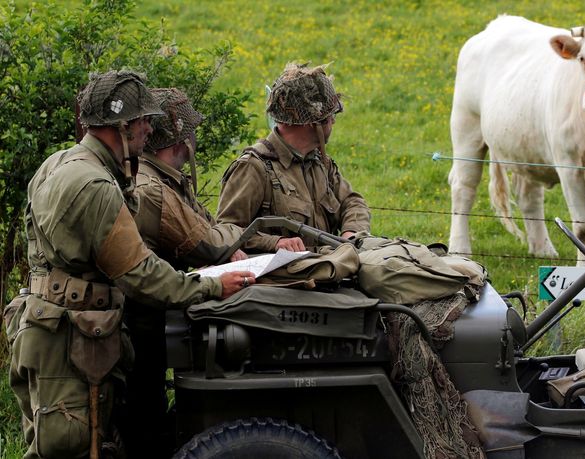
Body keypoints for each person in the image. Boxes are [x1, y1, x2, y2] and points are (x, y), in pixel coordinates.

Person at [6, 71, 254, 459]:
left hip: (44, 330)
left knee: (58, 443)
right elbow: (139, 273)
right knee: (73, 447)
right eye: (143, 122)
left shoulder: (56, 164)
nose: (149, 131)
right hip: (69, 341)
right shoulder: (96, 186)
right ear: (121, 126)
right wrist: (209, 287)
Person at [121, 87, 246, 457]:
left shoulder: (166, 180)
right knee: (145, 420)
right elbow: (211, 242)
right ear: (180, 139)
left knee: (149, 414)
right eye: (189, 132)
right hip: (142, 322)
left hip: (153, 314)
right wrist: (240, 237)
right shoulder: (155, 189)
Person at [217, 62, 370, 252]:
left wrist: (351, 234)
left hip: (329, 267)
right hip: (281, 278)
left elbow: (352, 202)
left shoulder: (319, 162)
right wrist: (275, 243)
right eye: (329, 117)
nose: (333, 121)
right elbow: (226, 232)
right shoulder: (254, 168)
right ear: (312, 123)